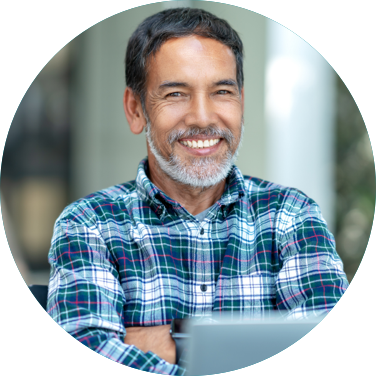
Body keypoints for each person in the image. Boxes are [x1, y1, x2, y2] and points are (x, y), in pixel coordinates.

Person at [47, 7, 349, 375]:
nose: (203, 117)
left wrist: (176, 342)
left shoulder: (291, 216)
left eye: (222, 91)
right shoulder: (90, 225)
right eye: (176, 94)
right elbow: (86, 365)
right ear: (135, 109)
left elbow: (333, 357)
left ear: (241, 101)